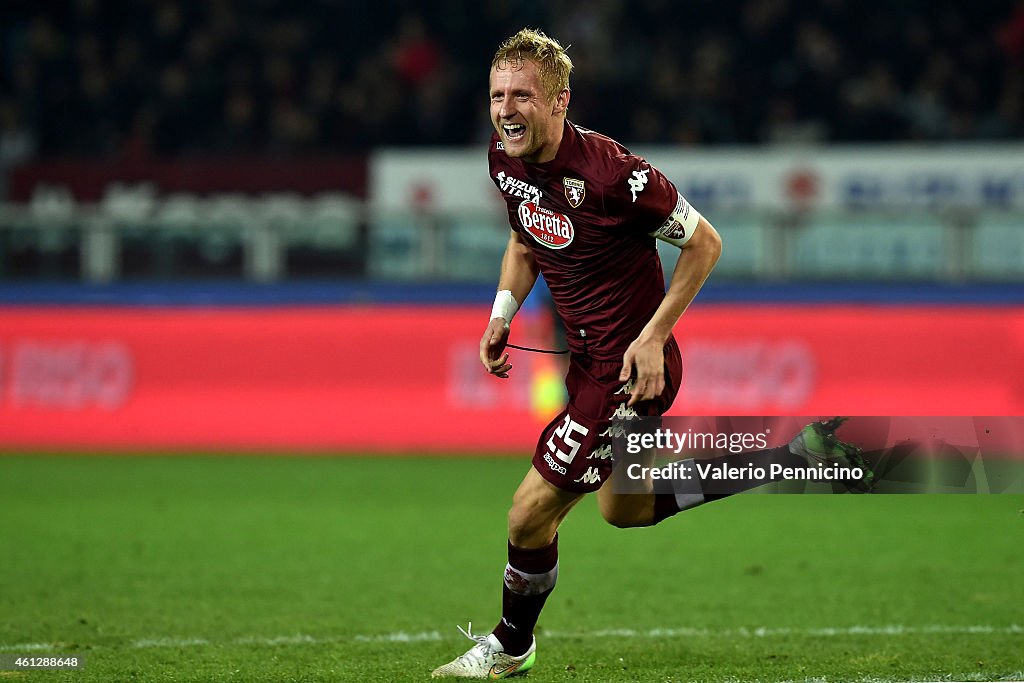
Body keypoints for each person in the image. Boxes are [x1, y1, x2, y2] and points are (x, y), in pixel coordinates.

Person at [431, 28, 865, 679]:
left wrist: (655, 333)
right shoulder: (504, 158)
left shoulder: (615, 175)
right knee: (624, 508)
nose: (506, 109)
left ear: (559, 100)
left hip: (630, 371)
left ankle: (510, 643)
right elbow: (525, 241)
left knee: (529, 509)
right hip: (585, 361)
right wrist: (502, 311)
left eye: (522, 95)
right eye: (497, 95)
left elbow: (706, 243)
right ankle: (780, 457)